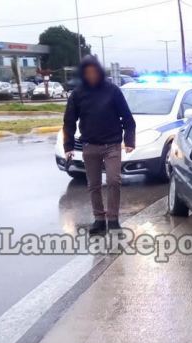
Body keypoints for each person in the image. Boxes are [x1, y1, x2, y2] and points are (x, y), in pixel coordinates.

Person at [62, 56, 136, 234]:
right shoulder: (78, 94)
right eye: (87, 73)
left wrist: (129, 141)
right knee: (93, 185)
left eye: (94, 71)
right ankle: (99, 219)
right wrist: (68, 146)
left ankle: (113, 219)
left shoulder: (112, 91)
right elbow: (69, 121)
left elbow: (127, 118)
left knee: (113, 180)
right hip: (90, 145)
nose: (91, 75)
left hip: (112, 145)